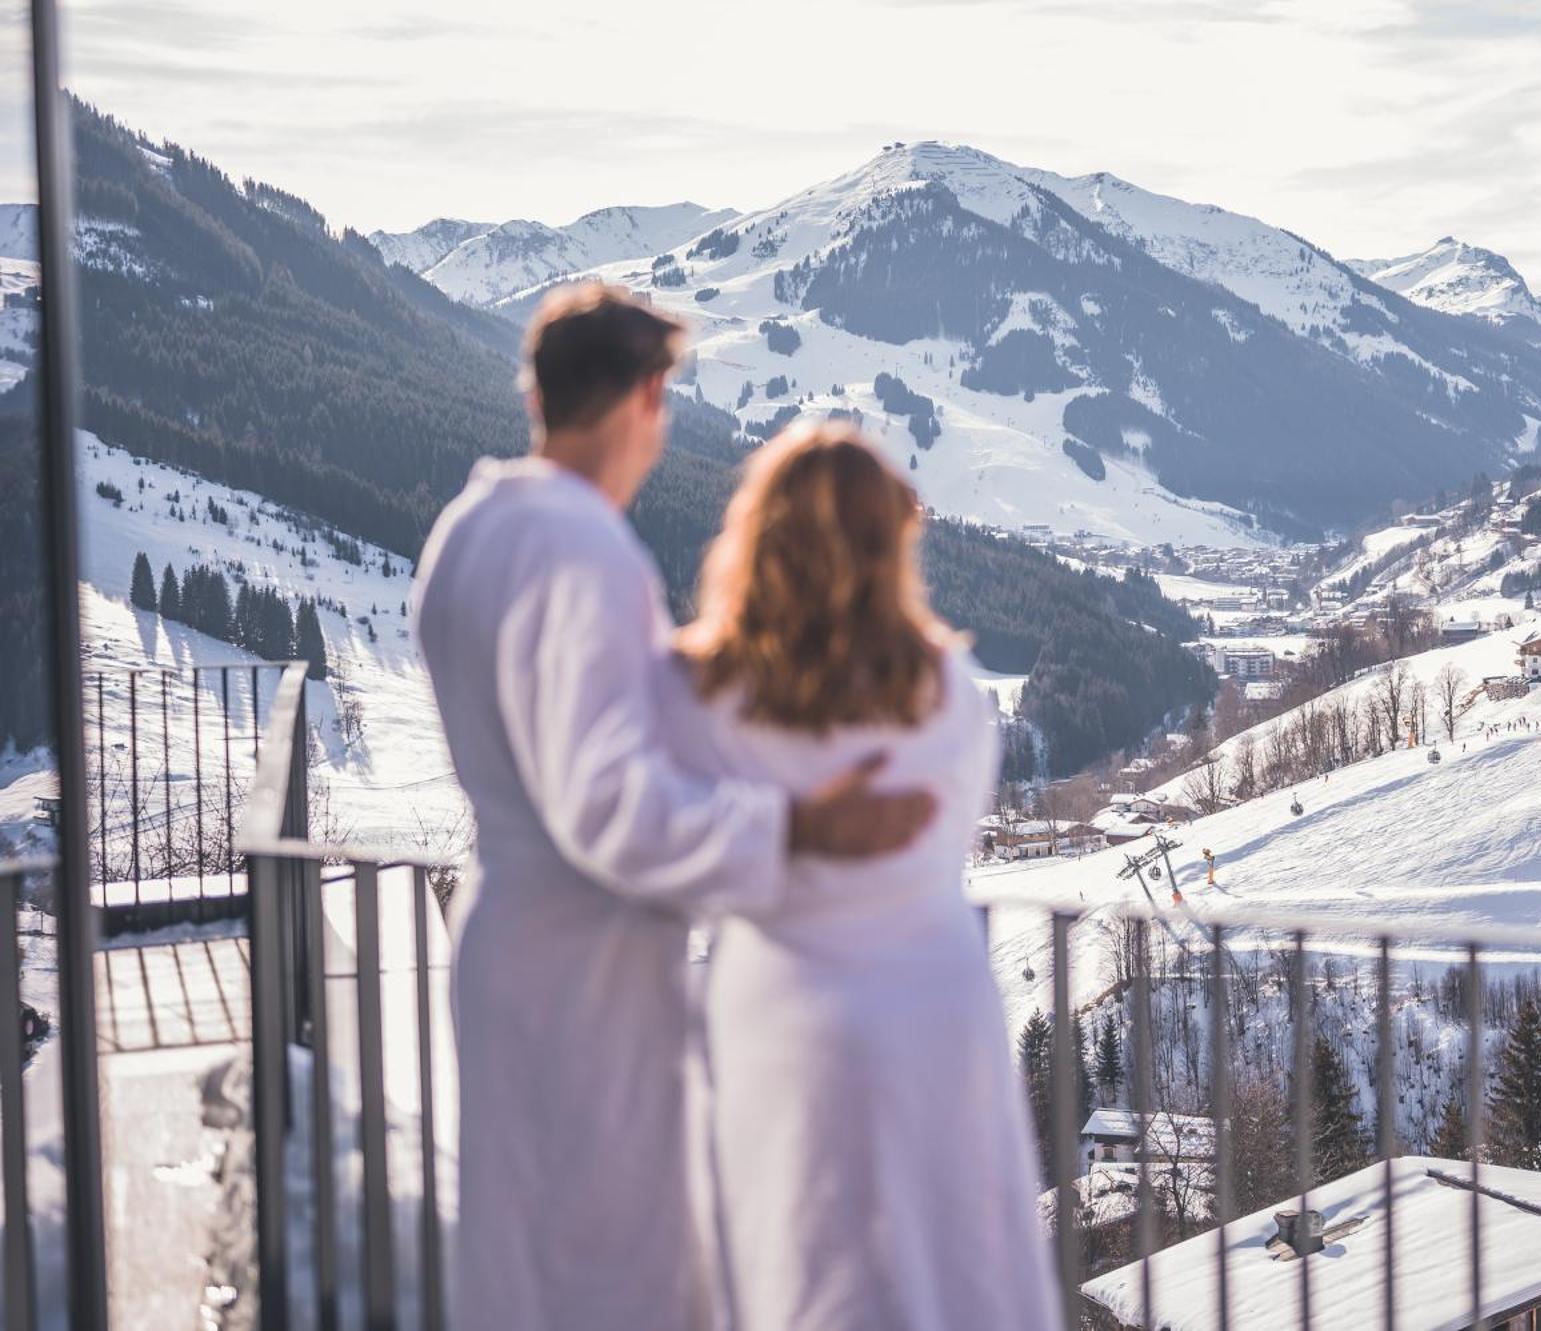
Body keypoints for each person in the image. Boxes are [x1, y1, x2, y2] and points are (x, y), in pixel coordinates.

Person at [412, 285, 934, 1331]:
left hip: (508, 940)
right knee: (609, 1269)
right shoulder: (585, 550)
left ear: (539, 390)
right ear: (650, 395)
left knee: (525, 1256)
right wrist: (795, 826)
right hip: (584, 968)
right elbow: (603, 800)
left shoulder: (466, 531)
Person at [665, 423, 1059, 1331]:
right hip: (933, 1000)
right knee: (950, 1259)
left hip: (779, 1003)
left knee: (794, 1260)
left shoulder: (709, 699)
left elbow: (682, 840)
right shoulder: (948, 695)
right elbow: (948, 833)